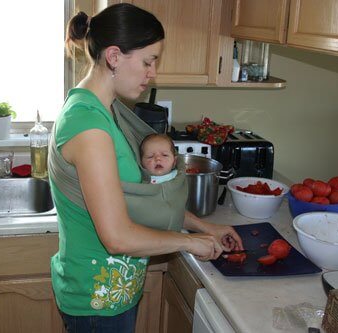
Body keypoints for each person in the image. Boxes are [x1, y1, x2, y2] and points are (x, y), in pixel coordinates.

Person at [49, 4, 244, 333]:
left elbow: (140, 198)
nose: (152, 73)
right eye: (148, 61)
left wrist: (202, 227)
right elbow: (117, 238)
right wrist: (189, 243)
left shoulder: (108, 111)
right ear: (114, 56)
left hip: (115, 291)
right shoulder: (88, 126)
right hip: (96, 301)